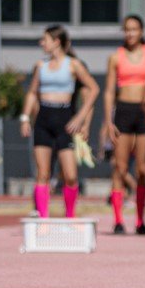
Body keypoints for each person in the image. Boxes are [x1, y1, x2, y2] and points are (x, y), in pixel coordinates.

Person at [18, 24, 99, 220]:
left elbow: (94, 89)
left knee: (70, 176)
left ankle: (70, 216)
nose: (41, 43)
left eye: (44, 39)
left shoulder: (73, 65)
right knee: (43, 174)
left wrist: (80, 118)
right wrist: (25, 117)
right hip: (44, 119)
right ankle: (42, 219)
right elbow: (32, 92)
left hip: (64, 120)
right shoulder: (40, 66)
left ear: (56, 42)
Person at [103, 16, 145, 235]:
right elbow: (108, 91)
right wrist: (108, 121)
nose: (130, 34)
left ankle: (140, 221)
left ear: (141, 31)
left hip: (144, 113)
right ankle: (117, 220)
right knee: (120, 168)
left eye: (134, 29)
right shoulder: (116, 57)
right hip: (123, 111)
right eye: (127, 30)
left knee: (143, 169)